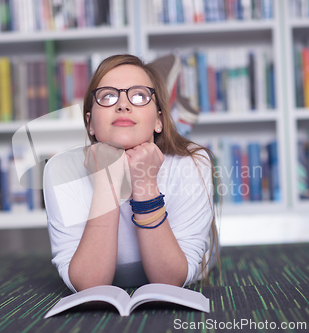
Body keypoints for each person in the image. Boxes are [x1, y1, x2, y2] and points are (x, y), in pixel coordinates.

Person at [43, 54, 220, 293]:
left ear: (159, 120)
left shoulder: (193, 163)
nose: (123, 105)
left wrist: (145, 184)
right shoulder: (60, 169)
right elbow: (89, 285)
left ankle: (177, 115)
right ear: (90, 124)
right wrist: (107, 182)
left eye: (139, 96)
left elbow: (169, 282)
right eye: (108, 96)